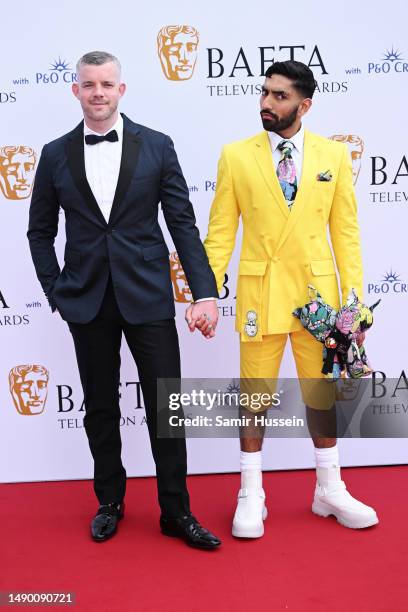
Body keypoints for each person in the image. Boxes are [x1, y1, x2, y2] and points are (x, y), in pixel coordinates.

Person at [27, 50, 220, 548]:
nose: (98, 93)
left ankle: (176, 511)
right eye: (88, 84)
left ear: (122, 90)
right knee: (99, 409)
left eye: (106, 84)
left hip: (148, 296)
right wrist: (56, 291)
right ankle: (109, 501)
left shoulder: (156, 145)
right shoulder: (53, 154)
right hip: (87, 301)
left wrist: (204, 292)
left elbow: (182, 223)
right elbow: (39, 232)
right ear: (75, 91)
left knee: (166, 407)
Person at [201, 60, 378, 537]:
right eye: (264, 93)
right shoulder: (236, 156)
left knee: (320, 394)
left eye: (279, 96)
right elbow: (219, 234)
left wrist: (355, 302)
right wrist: (203, 291)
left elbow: (346, 233)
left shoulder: (334, 156)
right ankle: (251, 492)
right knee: (255, 394)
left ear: (305, 104)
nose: (266, 103)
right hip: (261, 294)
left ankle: (329, 488)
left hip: (319, 301)